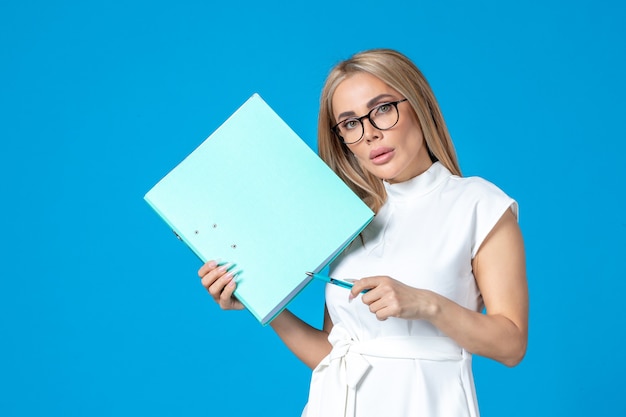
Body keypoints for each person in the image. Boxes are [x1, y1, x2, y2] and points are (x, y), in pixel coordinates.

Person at [198, 48, 528, 417]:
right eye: (351, 123)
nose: (370, 134)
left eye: (383, 109)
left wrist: (426, 304)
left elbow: (511, 344)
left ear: (418, 104)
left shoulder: (479, 204)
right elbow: (332, 352)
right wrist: (264, 303)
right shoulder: (348, 217)